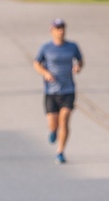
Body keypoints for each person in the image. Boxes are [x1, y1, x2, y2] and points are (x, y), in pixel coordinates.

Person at [34, 18, 84, 164]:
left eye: (62, 28)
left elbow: (80, 60)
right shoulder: (46, 47)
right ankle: (53, 130)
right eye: (57, 28)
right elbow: (36, 63)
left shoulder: (72, 46)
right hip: (51, 91)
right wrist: (45, 73)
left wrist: (78, 67)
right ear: (52, 31)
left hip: (68, 89)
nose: (60, 31)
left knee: (65, 120)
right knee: (53, 123)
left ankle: (60, 151)